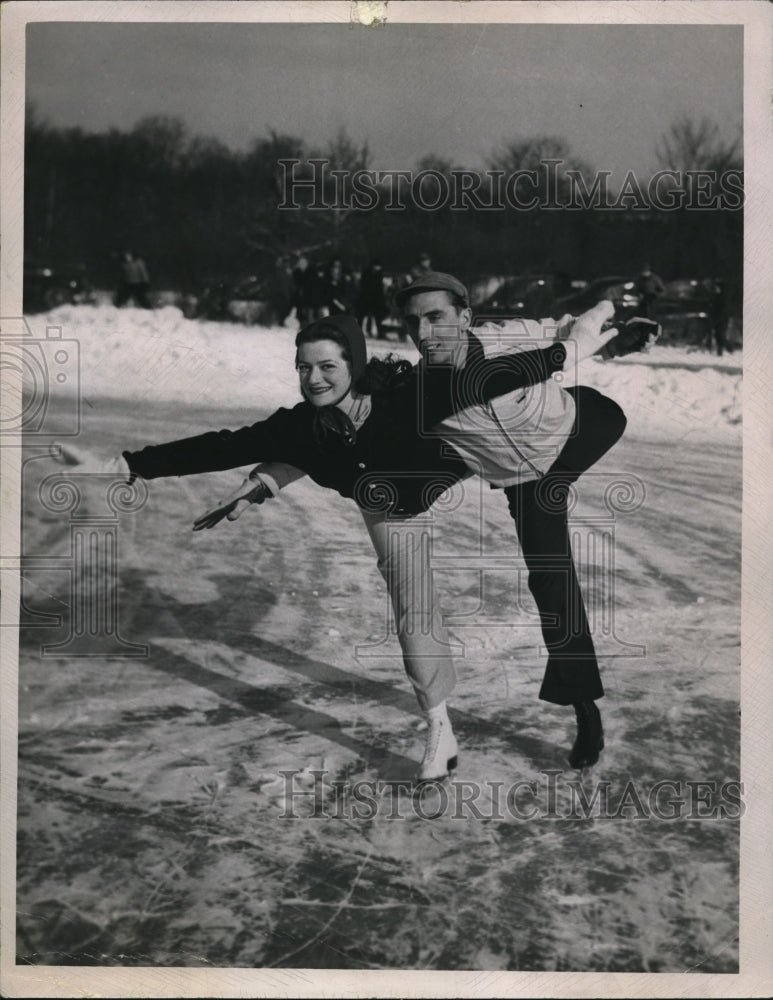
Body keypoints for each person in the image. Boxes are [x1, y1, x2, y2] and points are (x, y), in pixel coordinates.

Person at [57, 307, 628, 783]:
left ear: (353, 365)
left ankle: (582, 705)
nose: (313, 379)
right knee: (412, 608)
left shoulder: (408, 396)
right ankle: (439, 729)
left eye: (327, 366)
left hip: (465, 458)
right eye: (303, 367)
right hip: (390, 501)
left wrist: (572, 347)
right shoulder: (300, 425)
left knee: (548, 568)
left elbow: (495, 371)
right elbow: (219, 446)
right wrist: (127, 464)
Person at [194, 281, 658, 779]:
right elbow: (334, 430)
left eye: (435, 317)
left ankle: (582, 705)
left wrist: (616, 329)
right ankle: (585, 707)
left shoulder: (510, 338)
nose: (424, 332)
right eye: (413, 323)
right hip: (514, 475)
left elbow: (574, 333)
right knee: (548, 575)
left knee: (576, 445)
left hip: (578, 432)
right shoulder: (413, 390)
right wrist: (265, 479)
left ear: (465, 315)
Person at [357, 259, 388, 338]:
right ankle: (358, 332)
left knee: (377, 316)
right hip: (365, 298)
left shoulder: (379, 274)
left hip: (375, 299)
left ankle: (379, 333)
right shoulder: (366, 273)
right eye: (377, 266)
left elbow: (380, 288)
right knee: (362, 315)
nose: (378, 268)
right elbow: (363, 286)